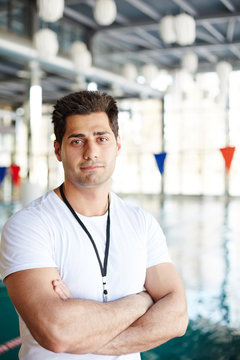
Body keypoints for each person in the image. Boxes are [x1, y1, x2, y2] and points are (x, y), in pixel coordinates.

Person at [0, 91, 188, 360]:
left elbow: (177, 318)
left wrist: (81, 335)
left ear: (117, 145)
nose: (91, 152)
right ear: (58, 150)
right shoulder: (28, 226)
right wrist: (142, 300)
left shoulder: (141, 223)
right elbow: (56, 332)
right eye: (77, 141)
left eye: (102, 138)